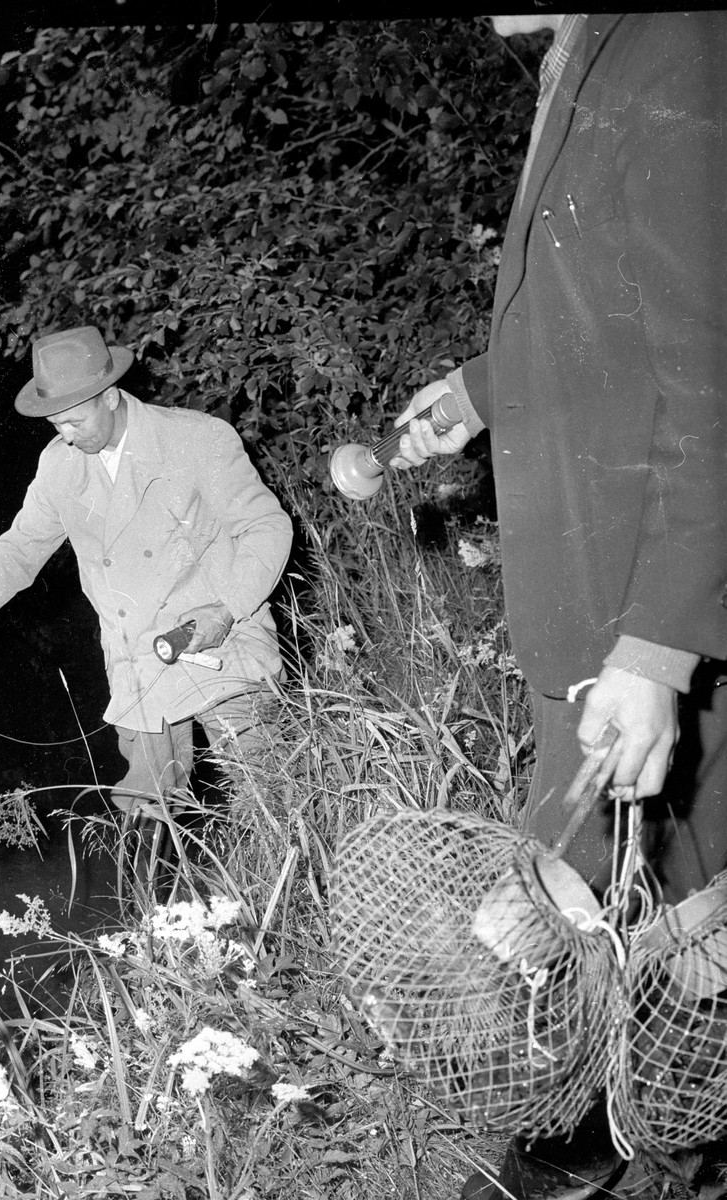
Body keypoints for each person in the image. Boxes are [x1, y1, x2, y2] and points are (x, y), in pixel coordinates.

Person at [390, 14, 727, 1200]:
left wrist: (662, 641)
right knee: (649, 860)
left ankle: (642, 1126)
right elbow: (609, 298)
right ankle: (639, 1115)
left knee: (647, 870)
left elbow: (712, 369)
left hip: (641, 585)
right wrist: (482, 390)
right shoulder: (591, 41)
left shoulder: (679, 44)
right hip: (593, 577)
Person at [0, 324, 292, 815]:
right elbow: (16, 552)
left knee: (271, 798)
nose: (65, 435)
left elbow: (268, 527)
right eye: (55, 424)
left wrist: (226, 608)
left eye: (75, 421)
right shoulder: (60, 467)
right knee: (148, 825)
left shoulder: (195, 438)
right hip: (140, 667)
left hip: (225, 650)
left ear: (112, 396)